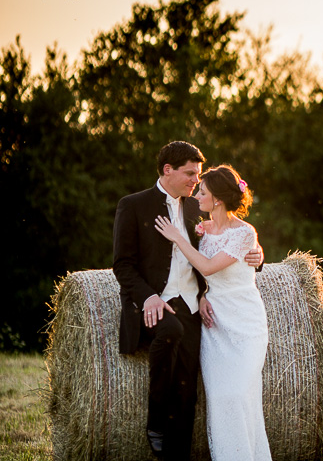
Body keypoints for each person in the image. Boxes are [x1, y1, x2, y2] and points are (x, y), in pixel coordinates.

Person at [113, 141, 264, 461]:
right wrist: (149, 297)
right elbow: (123, 264)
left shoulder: (198, 207)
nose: (196, 182)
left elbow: (232, 235)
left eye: (199, 176)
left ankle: (177, 455)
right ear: (168, 170)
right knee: (170, 332)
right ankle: (155, 423)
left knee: (187, 389)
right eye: (190, 173)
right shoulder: (133, 205)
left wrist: (258, 254)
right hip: (157, 301)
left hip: (196, 305)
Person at [155, 164, 272, 461]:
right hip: (214, 323)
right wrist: (203, 294)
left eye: (203, 192)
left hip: (245, 322)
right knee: (220, 399)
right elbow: (200, 275)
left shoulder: (245, 233)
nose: (197, 196)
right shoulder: (202, 230)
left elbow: (207, 266)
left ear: (217, 199)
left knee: (240, 394)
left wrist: (177, 237)